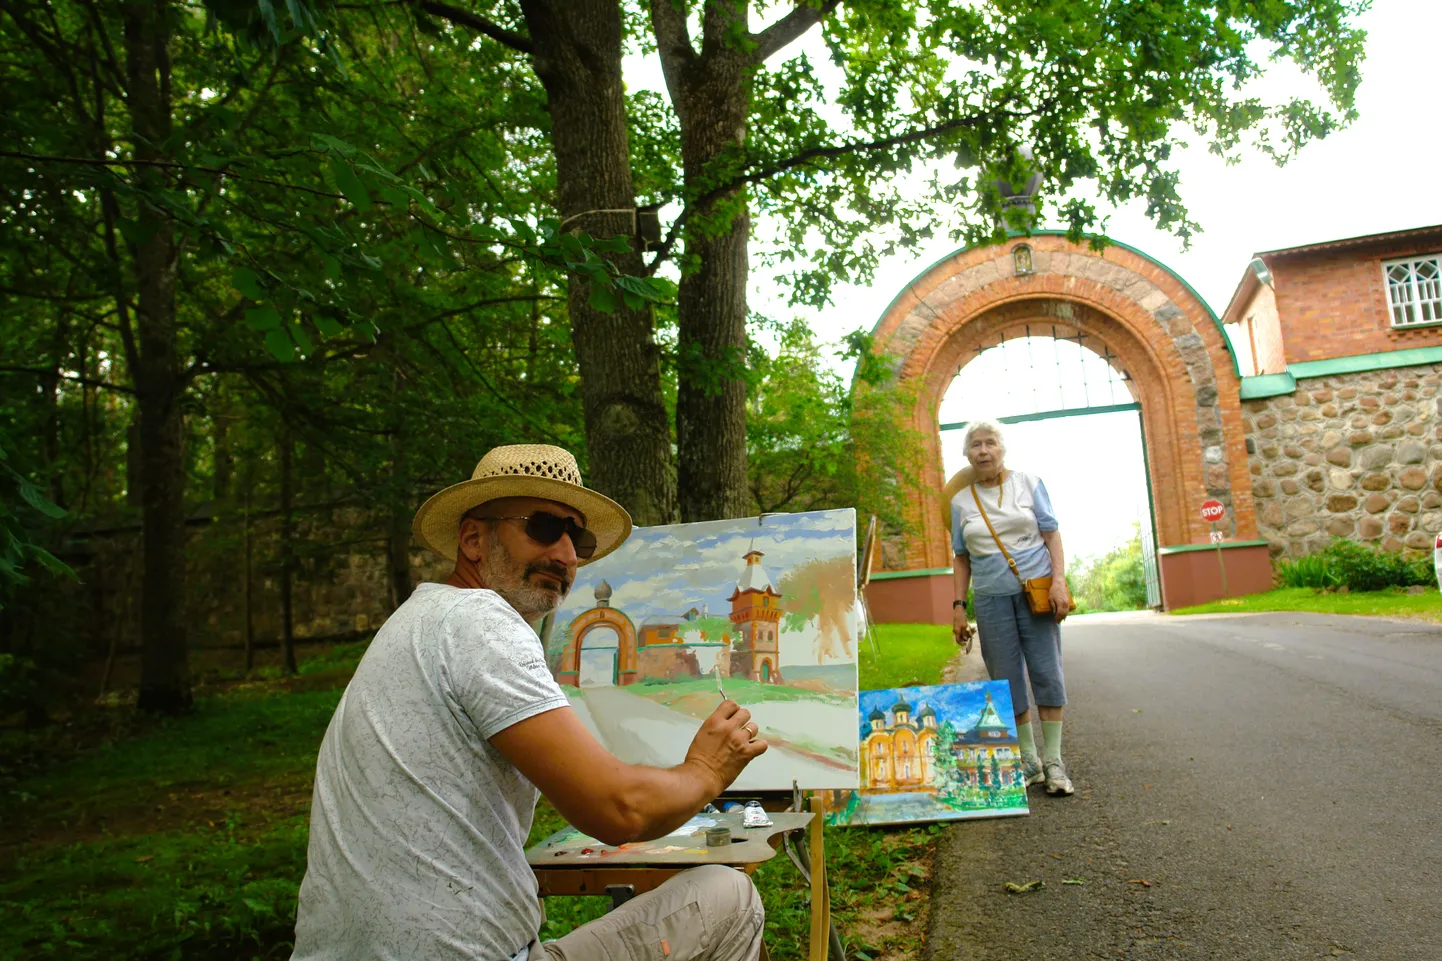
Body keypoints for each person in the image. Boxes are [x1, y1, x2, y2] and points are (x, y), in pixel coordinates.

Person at [291, 444, 769, 961]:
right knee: (729, 897)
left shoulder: (419, 619)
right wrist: (705, 769)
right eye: (543, 527)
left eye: (577, 538)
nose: (565, 555)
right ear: (474, 538)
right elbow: (619, 809)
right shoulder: (481, 620)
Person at [943, 420, 1074, 797]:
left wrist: (1059, 582)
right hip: (989, 599)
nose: (983, 451)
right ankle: (1029, 760)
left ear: (1003, 449)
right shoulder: (960, 501)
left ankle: (1054, 761)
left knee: (1047, 671)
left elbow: (1051, 534)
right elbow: (961, 556)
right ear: (966, 456)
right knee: (1004, 678)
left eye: (990, 443)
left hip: (1036, 593)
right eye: (975, 445)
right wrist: (958, 606)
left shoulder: (1029, 483)